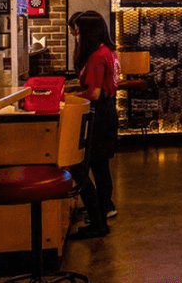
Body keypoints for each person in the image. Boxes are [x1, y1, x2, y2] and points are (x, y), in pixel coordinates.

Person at [68, 13, 119, 239]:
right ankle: (102, 210)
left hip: (98, 116)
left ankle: (98, 218)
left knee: (81, 168)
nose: (76, 35)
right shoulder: (107, 51)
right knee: (100, 167)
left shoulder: (97, 56)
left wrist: (64, 97)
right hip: (107, 114)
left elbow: (94, 93)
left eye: (78, 30)